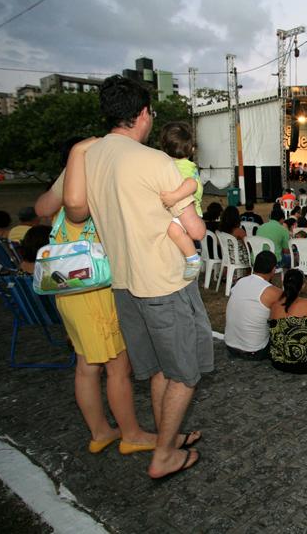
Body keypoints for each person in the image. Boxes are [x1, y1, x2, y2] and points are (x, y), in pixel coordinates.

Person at [63, 76, 212, 480]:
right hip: (164, 284)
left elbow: (75, 209)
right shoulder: (156, 162)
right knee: (183, 374)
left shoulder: (91, 157)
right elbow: (195, 229)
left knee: (160, 370)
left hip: (123, 285)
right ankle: (163, 455)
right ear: (143, 113)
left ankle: (168, 438)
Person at [33, 138, 166, 460]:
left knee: (86, 366)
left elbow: (40, 209)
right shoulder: (84, 194)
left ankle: (100, 431)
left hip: (67, 292)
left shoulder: (61, 193)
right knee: (118, 368)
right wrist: (81, 152)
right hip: (95, 293)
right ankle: (131, 435)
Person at [157, 122, 203, 280]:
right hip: (191, 212)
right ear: (192, 149)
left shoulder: (179, 166)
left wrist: (174, 197)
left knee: (172, 229)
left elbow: (192, 184)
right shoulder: (186, 165)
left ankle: (193, 259)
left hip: (187, 212)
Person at [224, 250, 282, 360]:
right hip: (256, 351)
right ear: (273, 269)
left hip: (230, 346)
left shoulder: (240, 282)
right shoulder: (273, 292)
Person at [268, 269, 307, 374]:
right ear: (303, 286)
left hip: (277, 362)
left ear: (283, 283)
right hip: (303, 365)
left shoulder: (274, 305)